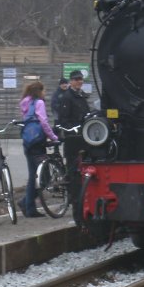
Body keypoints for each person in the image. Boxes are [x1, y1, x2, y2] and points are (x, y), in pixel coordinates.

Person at [18, 81, 59, 218]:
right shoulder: (39, 103)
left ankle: (28, 205)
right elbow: (43, 122)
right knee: (44, 177)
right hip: (38, 142)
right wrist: (53, 137)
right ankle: (27, 204)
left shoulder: (25, 102)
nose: (45, 93)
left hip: (28, 141)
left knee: (32, 175)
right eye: (44, 90)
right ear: (39, 91)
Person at [58, 70, 92, 225]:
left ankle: (84, 209)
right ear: (71, 81)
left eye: (81, 79)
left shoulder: (81, 96)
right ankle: (77, 213)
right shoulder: (67, 98)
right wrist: (75, 128)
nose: (79, 82)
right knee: (74, 177)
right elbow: (64, 120)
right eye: (76, 79)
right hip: (73, 141)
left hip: (83, 139)